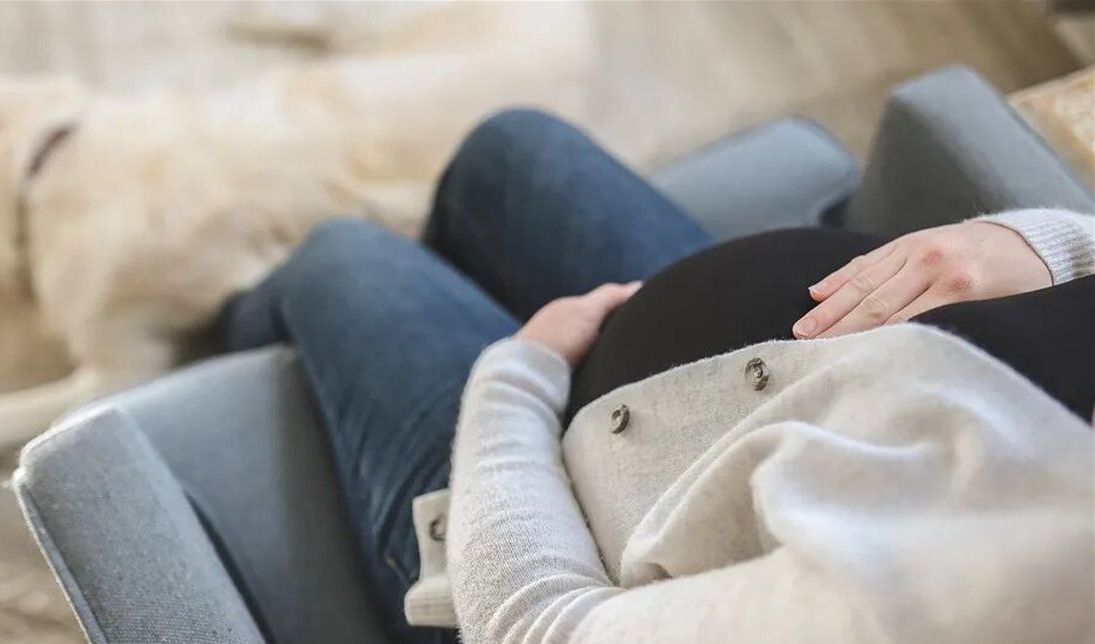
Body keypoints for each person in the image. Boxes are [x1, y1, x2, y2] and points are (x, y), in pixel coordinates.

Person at [217, 109, 1094, 643]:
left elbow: (537, 628)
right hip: (720, 359)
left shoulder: (1004, 596)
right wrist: (1046, 247)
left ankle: (224, 353)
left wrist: (514, 377)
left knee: (344, 260)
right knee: (511, 150)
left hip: (545, 528)